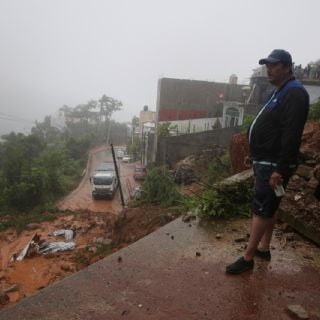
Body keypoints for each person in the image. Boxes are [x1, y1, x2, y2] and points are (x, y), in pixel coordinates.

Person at [226, 49, 309, 274]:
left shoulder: (295, 93)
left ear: (287, 67)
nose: (269, 70)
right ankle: (263, 247)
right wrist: (254, 153)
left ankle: (248, 258)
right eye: (267, 66)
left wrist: (280, 170)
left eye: (274, 66)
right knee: (270, 207)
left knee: (261, 208)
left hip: (274, 165)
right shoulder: (280, 91)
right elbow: (272, 128)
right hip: (265, 160)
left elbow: (291, 135)